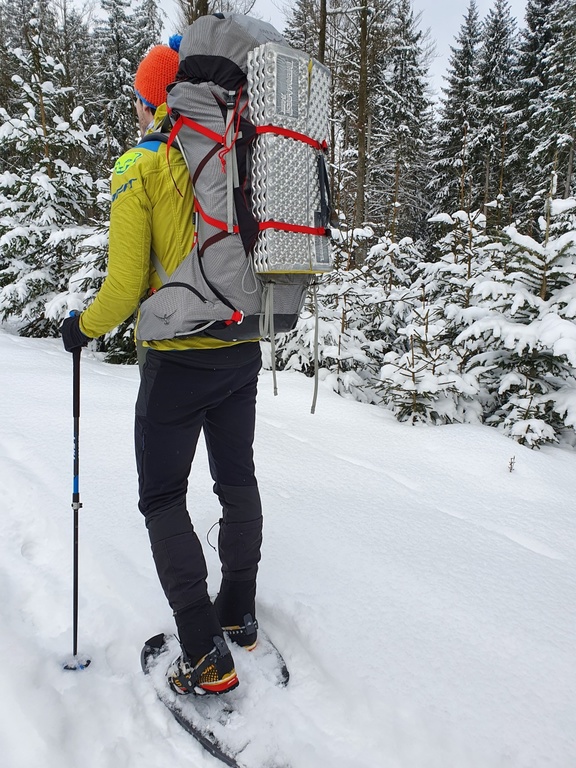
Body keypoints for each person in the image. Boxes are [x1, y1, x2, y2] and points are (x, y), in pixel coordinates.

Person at [60, 37, 263, 696]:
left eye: (141, 102)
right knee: (236, 479)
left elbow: (122, 290)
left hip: (177, 362)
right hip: (241, 348)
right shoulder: (234, 155)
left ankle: (204, 656)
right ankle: (237, 612)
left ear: (157, 100)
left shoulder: (139, 168)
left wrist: (80, 329)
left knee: (162, 498)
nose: (139, 113)